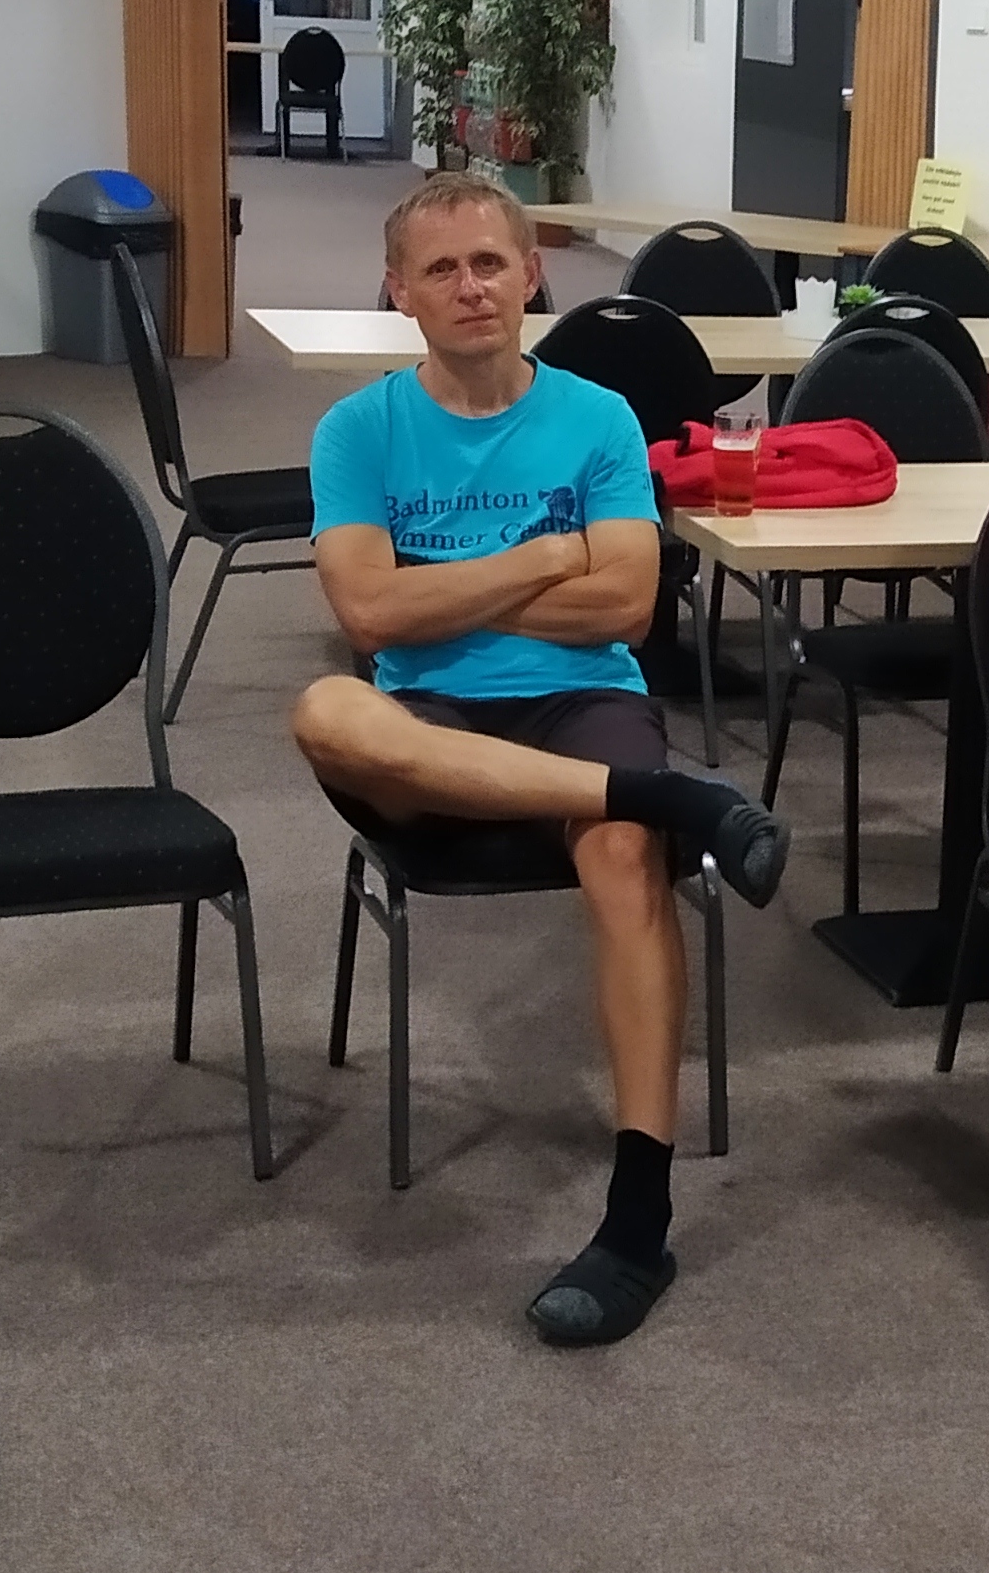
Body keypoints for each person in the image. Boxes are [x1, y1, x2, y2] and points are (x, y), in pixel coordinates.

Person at [294, 173, 791, 1348]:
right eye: (441, 269)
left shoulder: (598, 418)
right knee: (325, 709)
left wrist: (440, 590)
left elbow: (624, 608)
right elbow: (366, 617)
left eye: (489, 263)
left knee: (622, 859)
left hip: (581, 699)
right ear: (399, 292)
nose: (470, 287)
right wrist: (546, 553)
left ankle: (638, 1219)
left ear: (530, 274)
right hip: (426, 719)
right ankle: (672, 795)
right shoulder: (358, 430)